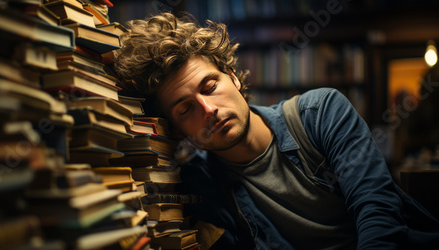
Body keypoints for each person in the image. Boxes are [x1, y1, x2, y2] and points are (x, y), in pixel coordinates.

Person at [114, 13, 439, 249]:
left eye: (210, 86)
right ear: (177, 129)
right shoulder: (203, 185)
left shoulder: (321, 113)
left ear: (234, 77)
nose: (208, 110)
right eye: (186, 108)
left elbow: (379, 214)